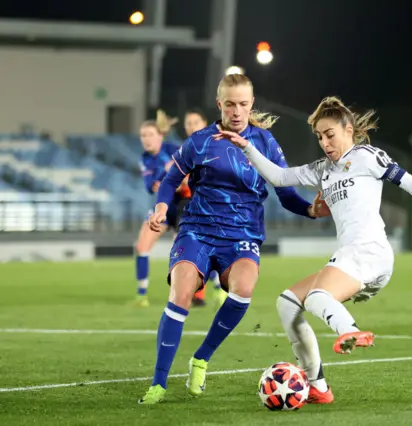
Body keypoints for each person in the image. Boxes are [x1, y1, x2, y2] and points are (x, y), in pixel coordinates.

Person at [217, 96, 412, 404]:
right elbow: (279, 176)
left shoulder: (367, 157)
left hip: (370, 251)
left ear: (348, 129)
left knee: (319, 297)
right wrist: (245, 147)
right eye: (319, 137)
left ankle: (351, 331)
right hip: (352, 257)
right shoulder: (322, 170)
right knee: (288, 304)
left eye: (329, 134)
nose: (324, 142)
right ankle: (318, 386)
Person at [138, 74, 330, 404]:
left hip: (242, 236)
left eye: (243, 104)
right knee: (181, 292)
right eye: (230, 104)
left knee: (244, 288)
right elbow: (170, 181)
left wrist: (311, 211)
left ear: (251, 104)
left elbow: (285, 194)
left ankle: (201, 358)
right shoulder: (200, 141)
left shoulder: (265, 142)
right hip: (197, 229)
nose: (237, 111)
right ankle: (158, 383)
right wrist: (159, 208)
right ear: (220, 105)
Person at [134, 120, 190, 308]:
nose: (146, 139)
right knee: (141, 247)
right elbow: (152, 187)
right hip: (162, 208)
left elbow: (189, 179)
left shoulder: (175, 149)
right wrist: (165, 174)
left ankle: (215, 290)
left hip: (183, 206)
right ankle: (142, 295)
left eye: (150, 134)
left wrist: (177, 180)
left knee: (183, 254)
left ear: (160, 136)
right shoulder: (145, 158)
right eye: (143, 135)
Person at [182, 108, 225, 309]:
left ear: (204, 123)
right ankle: (202, 293)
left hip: (212, 204)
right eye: (188, 123)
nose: (191, 126)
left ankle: (214, 289)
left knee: (207, 248)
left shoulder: (213, 145)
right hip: (191, 206)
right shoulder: (185, 148)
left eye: (195, 122)